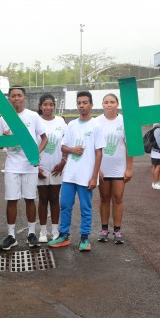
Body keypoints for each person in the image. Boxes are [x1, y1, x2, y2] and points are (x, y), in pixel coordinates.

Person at [48, 91, 105, 251]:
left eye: (85, 102)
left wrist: (94, 177)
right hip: (70, 175)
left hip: (86, 175)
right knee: (65, 204)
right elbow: (63, 146)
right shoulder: (72, 124)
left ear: (91, 105)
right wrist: (73, 149)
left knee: (85, 207)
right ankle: (63, 235)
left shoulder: (96, 125)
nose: (82, 105)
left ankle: (85, 238)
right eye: (79, 103)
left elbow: (99, 153)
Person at [0, 86, 47, 250]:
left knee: (30, 199)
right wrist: (5, 138)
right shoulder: (4, 119)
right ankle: (11, 236)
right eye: (13, 96)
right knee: (11, 200)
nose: (16, 98)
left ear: (24, 98)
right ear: (8, 99)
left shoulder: (33, 116)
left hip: (29, 166)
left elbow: (45, 138)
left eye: (19, 95)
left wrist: (35, 155)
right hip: (12, 165)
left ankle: (32, 234)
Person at [96, 94, 133, 244]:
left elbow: (129, 145)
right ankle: (104, 229)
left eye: (112, 102)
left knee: (118, 197)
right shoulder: (96, 122)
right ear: (102, 104)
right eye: (106, 102)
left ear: (117, 104)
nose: (109, 104)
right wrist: (97, 169)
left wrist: (129, 168)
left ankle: (117, 231)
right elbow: (94, 147)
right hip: (102, 167)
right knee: (104, 197)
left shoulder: (124, 121)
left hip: (119, 167)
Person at [36, 93, 66, 243]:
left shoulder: (60, 121)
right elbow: (30, 146)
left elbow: (66, 142)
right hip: (40, 167)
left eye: (51, 105)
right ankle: (42, 231)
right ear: (40, 106)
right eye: (45, 105)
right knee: (42, 199)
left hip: (57, 167)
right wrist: (36, 168)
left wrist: (63, 162)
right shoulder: (36, 121)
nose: (48, 107)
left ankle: (55, 230)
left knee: (55, 198)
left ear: (54, 106)